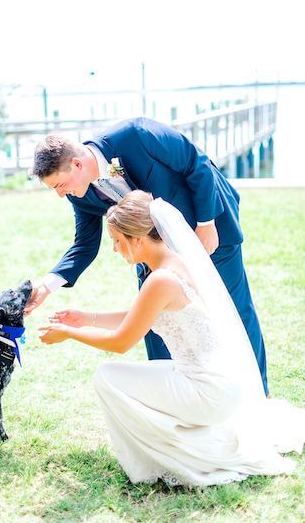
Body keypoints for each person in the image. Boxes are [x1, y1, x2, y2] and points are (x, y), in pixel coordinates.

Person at [38, 191, 305, 487]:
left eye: (116, 241)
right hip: (221, 383)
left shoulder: (161, 280)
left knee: (107, 376)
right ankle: (185, 442)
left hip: (208, 392)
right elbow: (147, 313)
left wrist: (70, 334)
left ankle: (174, 454)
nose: (115, 249)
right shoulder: (175, 263)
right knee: (133, 376)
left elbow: (120, 342)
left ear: (137, 239)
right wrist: (87, 318)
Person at [27, 117, 268, 395]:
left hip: (209, 230)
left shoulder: (136, 134)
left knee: (235, 310)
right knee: (155, 321)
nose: (60, 195)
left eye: (59, 185)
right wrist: (47, 285)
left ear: (77, 164)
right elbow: (84, 244)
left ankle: (259, 394)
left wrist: (206, 223)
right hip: (154, 252)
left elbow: (195, 163)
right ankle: (174, 401)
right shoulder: (78, 192)